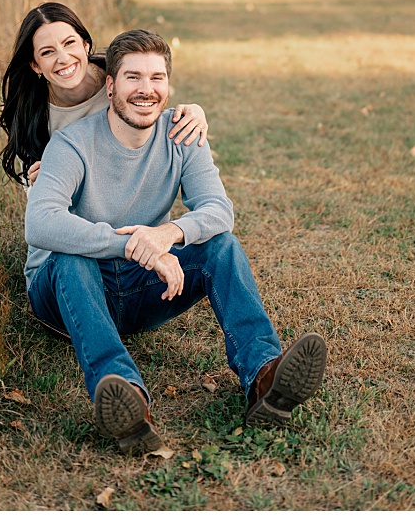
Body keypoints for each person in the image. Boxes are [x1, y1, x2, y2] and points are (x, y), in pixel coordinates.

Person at [24, 28, 327, 453]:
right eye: (132, 78)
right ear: (110, 86)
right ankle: (127, 401)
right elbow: (40, 224)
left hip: (139, 286)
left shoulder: (180, 134)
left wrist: (169, 233)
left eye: (156, 78)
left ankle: (264, 377)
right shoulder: (71, 143)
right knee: (69, 259)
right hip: (66, 291)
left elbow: (219, 211)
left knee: (221, 246)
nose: (145, 90)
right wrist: (130, 244)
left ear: (168, 86)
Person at [0, 1, 209, 188]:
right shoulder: (30, 114)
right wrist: (40, 184)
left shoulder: (118, 75)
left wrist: (194, 111)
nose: (63, 58)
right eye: (47, 52)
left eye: (69, 43)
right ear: (35, 65)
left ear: (85, 45)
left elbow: (152, 98)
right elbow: (37, 197)